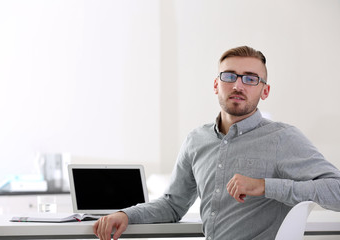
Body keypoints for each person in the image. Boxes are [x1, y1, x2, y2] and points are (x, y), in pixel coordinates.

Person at [93, 46, 340, 240]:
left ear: (264, 91)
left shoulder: (283, 138)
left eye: (251, 79)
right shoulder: (196, 140)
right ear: (216, 85)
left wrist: (265, 186)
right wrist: (126, 214)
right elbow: (173, 205)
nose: (238, 85)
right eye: (229, 76)